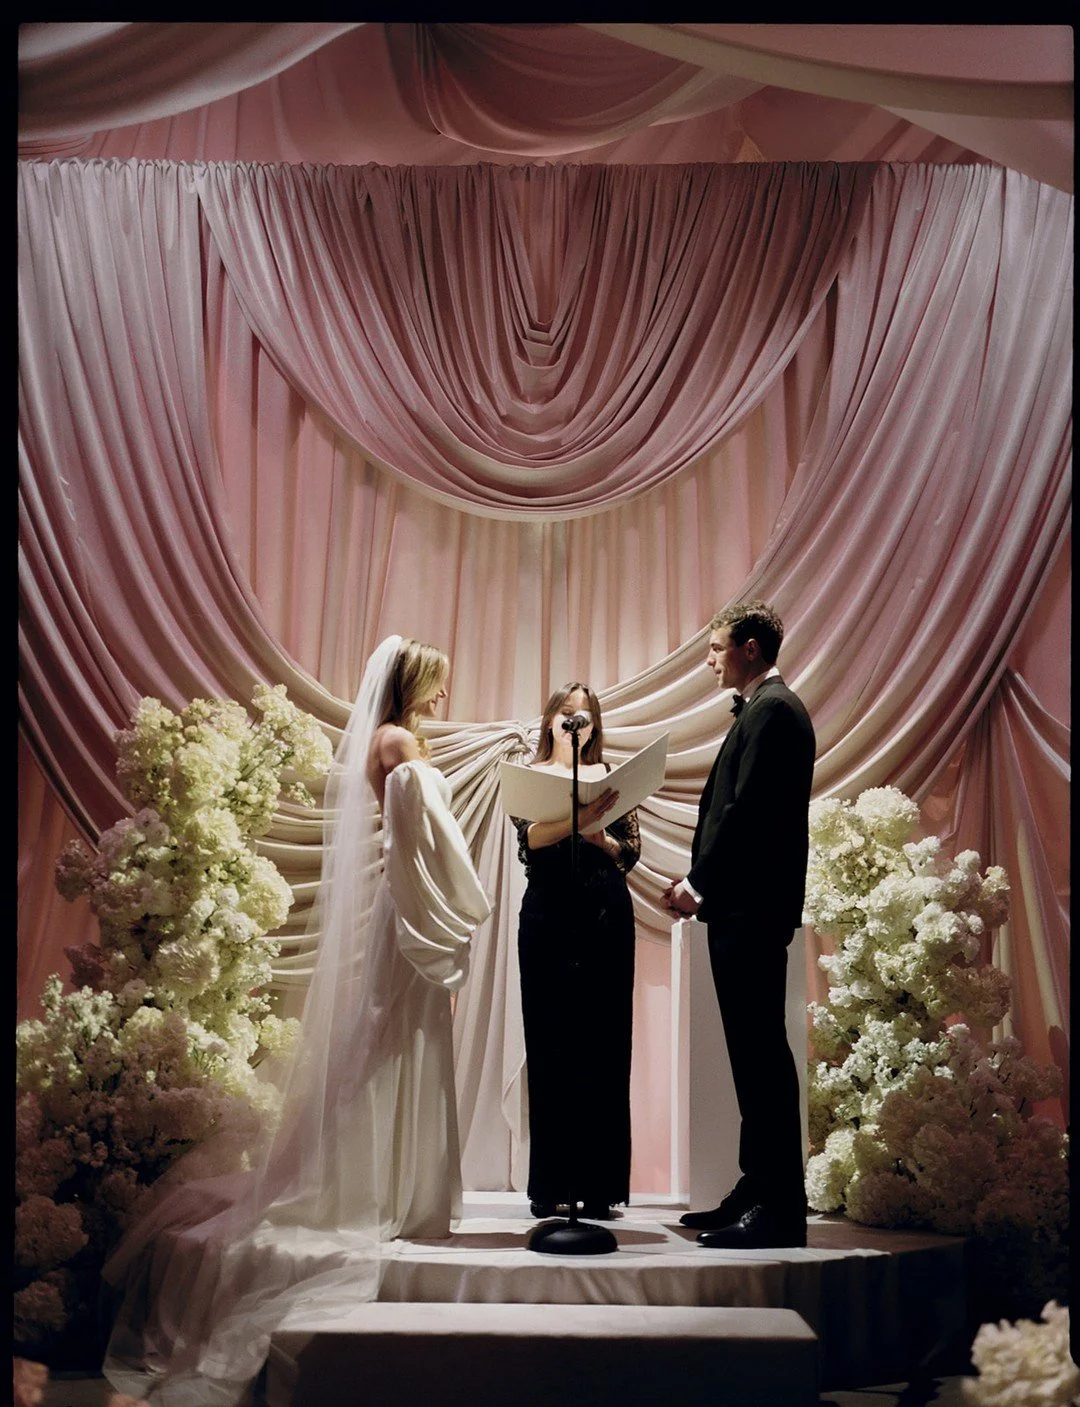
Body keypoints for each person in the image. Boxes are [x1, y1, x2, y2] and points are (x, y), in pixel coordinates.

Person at [101, 636, 491, 1404]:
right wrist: (444, 924)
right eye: (439, 684)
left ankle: (381, 1183)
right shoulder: (403, 742)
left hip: (397, 916)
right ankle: (379, 1188)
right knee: (391, 1045)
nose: (446, 697)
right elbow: (421, 848)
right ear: (415, 682)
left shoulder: (389, 740)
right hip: (408, 919)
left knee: (386, 1044)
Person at [662, 601, 815, 1250]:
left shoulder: (775, 711)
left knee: (764, 1058)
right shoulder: (762, 710)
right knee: (753, 1059)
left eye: (717, 646)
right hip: (743, 908)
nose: (709, 658)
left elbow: (749, 815)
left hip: (751, 909)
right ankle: (757, 1187)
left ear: (751, 648)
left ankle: (779, 1206)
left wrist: (700, 884)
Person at [511, 682, 640, 1221]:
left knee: (604, 1047)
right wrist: (581, 821)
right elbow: (531, 839)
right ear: (549, 721)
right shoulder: (528, 774)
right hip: (547, 914)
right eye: (567, 713)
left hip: (605, 913)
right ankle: (552, 1184)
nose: (576, 722)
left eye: (585, 715)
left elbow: (629, 853)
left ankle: (598, 1184)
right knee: (551, 1045)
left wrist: (602, 839)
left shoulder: (611, 776)